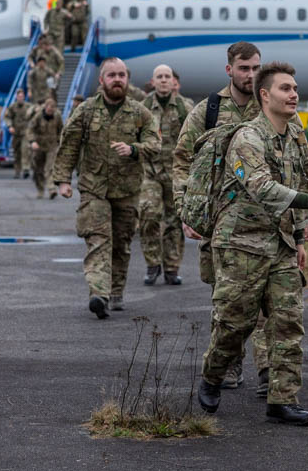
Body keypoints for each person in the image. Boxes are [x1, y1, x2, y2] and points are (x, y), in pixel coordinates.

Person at [197, 62, 308, 426]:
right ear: (265, 95)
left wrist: (299, 234)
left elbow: (302, 177)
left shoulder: (294, 136)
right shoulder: (247, 138)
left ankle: (283, 399)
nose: (294, 94)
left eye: (295, 88)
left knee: (288, 322)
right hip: (241, 245)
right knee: (235, 323)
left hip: (279, 244)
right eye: (285, 88)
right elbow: (262, 188)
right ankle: (212, 375)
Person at [173, 41, 308, 396]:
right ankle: (222, 370)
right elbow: (183, 163)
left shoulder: (284, 114)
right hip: (234, 232)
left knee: (283, 316)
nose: (250, 75)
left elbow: (300, 169)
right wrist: (187, 210)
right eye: (243, 69)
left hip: (279, 233)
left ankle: (277, 388)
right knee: (234, 315)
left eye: (255, 68)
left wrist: (302, 223)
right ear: (230, 70)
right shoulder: (209, 112)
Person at [51, 58, 160, 318]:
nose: (117, 79)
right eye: (111, 75)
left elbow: (155, 145)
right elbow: (69, 145)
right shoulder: (87, 110)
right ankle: (98, 293)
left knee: (121, 244)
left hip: (128, 189)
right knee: (98, 240)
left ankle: (116, 291)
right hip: (94, 188)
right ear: (102, 80)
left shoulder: (139, 112)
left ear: (127, 79)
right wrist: (63, 180)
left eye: (121, 75)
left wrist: (134, 149)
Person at [139, 65, 192, 286]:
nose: (163, 80)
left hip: (175, 173)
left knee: (174, 220)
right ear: (152, 81)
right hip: (149, 172)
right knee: (149, 215)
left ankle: (171, 267)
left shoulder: (184, 107)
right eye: (159, 77)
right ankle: (152, 264)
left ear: (173, 82)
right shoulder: (142, 108)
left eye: (166, 77)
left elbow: (195, 138)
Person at [27, 98, 63, 199]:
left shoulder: (57, 116)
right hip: (39, 146)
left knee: (50, 168)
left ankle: (51, 189)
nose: (50, 111)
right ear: (45, 107)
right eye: (49, 109)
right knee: (38, 170)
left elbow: (61, 129)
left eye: (53, 109)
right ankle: (40, 189)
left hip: (52, 146)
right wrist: (32, 141)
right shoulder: (38, 116)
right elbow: (30, 129)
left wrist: (60, 142)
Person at [3, 88, 33, 179]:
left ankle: (26, 170)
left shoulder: (28, 106)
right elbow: (7, 117)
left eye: (22, 96)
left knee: (25, 150)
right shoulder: (12, 107)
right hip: (16, 133)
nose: (20, 98)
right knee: (17, 153)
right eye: (19, 96)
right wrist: (10, 126)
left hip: (25, 133)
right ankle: (17, 171)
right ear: (16, 97)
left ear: (24, 97)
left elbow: (35, 115)